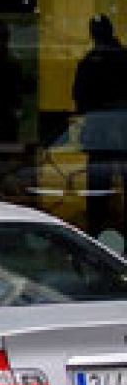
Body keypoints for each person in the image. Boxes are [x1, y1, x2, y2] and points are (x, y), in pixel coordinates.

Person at [73, 14, 127, 237]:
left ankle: (96, 229)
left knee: (98, 185)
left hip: (101, 132)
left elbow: (79, 98)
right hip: (120, 130)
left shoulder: (90, 62)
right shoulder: (122, 58)